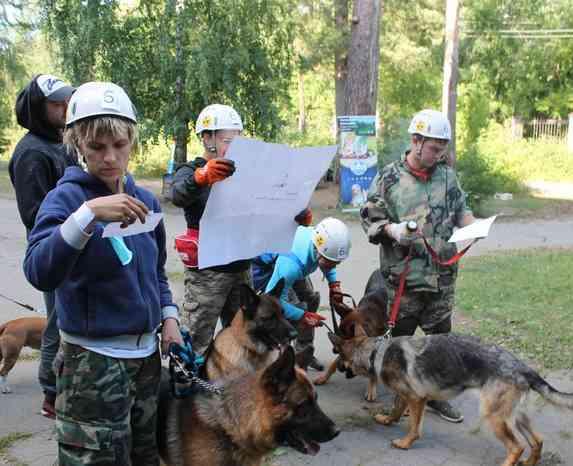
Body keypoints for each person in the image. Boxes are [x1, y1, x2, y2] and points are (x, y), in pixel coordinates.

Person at [23, 82, 183, 466]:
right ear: (77, 143)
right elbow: (38, 270)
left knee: (145, 456)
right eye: (97, 147)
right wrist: (88, 216)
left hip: (146, 361)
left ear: (132, 142)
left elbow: (154, 273)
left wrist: (170, 317)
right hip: (92, 364)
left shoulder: (144, 201)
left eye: (119, 145)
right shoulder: (66, 200)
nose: (110, 158)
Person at [360, 109, 475, 424]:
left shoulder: (448, 176)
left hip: (441, 281)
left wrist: (473, 227)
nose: (439, 155)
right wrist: (394, 231)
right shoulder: (389, 177)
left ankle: (437, 399)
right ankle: (400, 405)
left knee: (442, 347)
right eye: (435, 149)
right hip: (404, 285)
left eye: (443, 149)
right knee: (401, 351)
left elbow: (462, 211)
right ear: (416, 140)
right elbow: (371, 217)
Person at [8, 74, 78, 419]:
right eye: (56, 103)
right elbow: (35, 215)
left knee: (68, 317)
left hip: (77, 246)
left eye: (68, 100)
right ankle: (51, 395)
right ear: (38, 108)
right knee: (58, 322)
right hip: (55, 251)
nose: (65, 107)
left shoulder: (60, 143)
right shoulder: (32, 152)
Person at [170, 104, 249, 354]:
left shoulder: (246, 173)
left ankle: (234, 385)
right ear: (207, 138)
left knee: (243, 336)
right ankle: (189, 387)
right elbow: (177, 194)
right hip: (207, 273)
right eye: (228, 140)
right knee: (195, 338)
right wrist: (201, 177)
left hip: (241, 268)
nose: (234, 147)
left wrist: (293, 214)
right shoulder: (190, 171)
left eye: (239, 141)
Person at [252, 217, 351, 368]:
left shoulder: (319, 241)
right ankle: (283, 361)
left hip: (298, 266)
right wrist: (303, 316)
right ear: (318, 252)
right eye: (332, 262)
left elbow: (330, 261)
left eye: (337, 262)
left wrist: (334, 284)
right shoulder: (290, 267)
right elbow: (274, 300)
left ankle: (304, 354)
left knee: (311, 299)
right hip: (269, 270)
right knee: (291, 312)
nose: (335, 266)